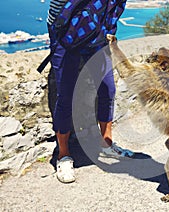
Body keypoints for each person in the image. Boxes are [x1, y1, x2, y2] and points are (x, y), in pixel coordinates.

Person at [47, 0, 134, 183]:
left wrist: (109, 29)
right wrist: (60, 30)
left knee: (107, 89)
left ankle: (106, 143)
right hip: (66, 34)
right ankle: (63, 156)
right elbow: (57, 7)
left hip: (98, 34)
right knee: (66, 95)